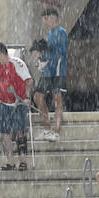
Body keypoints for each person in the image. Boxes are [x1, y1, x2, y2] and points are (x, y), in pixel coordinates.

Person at [0, 42, 32, 172]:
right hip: (4, 103)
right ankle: (10, 162)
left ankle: (23, 161)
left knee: (20, 131)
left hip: (18, 102)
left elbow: (29, 80)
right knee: (4, 133)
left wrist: (27, 97)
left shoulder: (17, 63)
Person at [34, 7, 68, 141]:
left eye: (46, 19)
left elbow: (58, 53)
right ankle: (47, 128)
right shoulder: (50, 33)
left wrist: (43, 57)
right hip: (48, 71)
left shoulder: (61, 32)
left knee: (57, 99)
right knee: (37, 96)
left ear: (52, 18)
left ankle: (56, 132)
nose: (45, 22)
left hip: (57, 71)